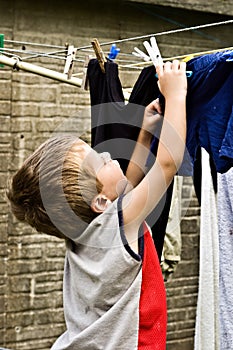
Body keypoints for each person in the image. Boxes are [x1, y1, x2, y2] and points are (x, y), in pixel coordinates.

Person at [7, 60, 187, 349]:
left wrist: (144, 133)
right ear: (101, 202)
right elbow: (167, 163)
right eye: (99, 160)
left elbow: (128, 187)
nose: (106, 155)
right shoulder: (118, 223)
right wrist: (176, 92)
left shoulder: (84, 231)